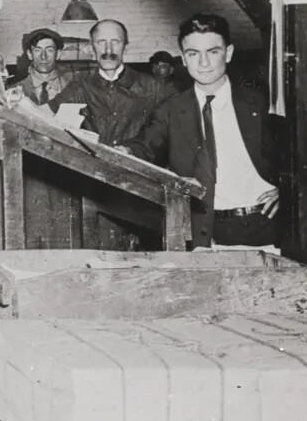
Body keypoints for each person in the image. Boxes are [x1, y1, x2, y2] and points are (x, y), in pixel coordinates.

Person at [125, 13, 281, 249]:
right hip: (207, 235)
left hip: (265, 229)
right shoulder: (171, 110)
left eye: (213, 52)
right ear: (184, 60)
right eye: (193, 54)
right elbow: (144, 145)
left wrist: (287, 192)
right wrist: (122, 149)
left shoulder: (260, 103)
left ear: (228, 53)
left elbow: (301, 157)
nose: (204, 63)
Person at [51, 18, 174, 145]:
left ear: (126, 48)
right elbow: (43, 114)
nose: (108, 50)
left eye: (115, 42)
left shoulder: (153, 87)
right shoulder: (78, 89)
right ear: (92, 49)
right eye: (101, 42)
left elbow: (172, 128)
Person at [4, 27, 73, 106]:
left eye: (49, 50)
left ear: (58, 54)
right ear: (30, 54)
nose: (43, 56)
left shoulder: (74, 89)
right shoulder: (14, 91)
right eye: (37, 50)